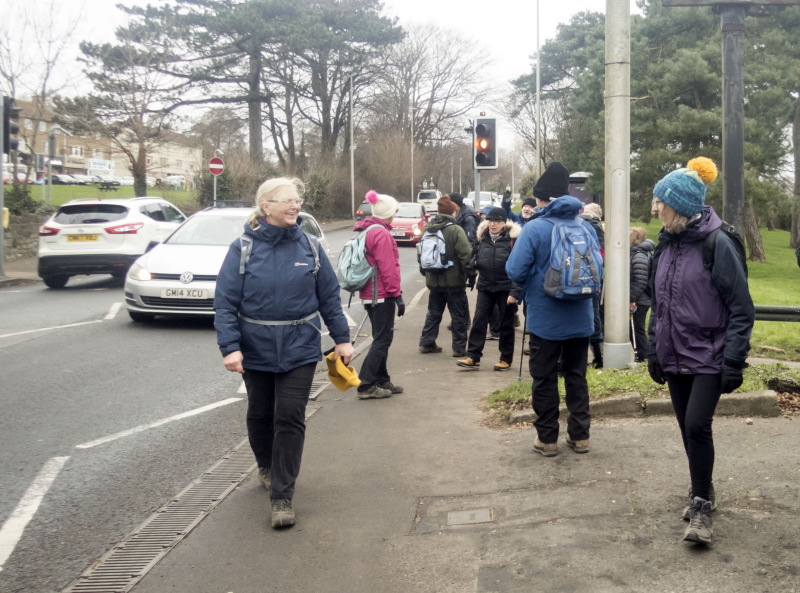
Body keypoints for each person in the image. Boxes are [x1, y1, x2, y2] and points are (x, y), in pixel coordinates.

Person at [214, 177, 354, 529]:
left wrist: (342, 338)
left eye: (298, 200)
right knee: (260, 414)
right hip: (255, 348)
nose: (296, 206)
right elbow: (226, 302)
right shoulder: (242, 248)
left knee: (289, 416)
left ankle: (282, 496)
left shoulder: (309, 245)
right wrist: (230, 347)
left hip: (299, 347)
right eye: (287, 201)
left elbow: (328, 298)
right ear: (266, 207)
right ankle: (265, 465)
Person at [647, 157, 754, 545]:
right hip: (673, 354)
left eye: (660, 201)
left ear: (680, 205)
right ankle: (703, 490)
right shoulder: (666, 242)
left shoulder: (717, 243)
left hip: (709, 355)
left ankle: (702, 509)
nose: (655, 208)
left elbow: (742, 308)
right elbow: (657, 302)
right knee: (685, 429)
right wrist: (652, 347)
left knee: (696, 426)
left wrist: (734, 360)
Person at [506, 161, 599, 457]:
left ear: (542, 199)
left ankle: (547, 439)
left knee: (544, 378)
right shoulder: (585, 226)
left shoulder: (534, 228)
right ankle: (580, 436)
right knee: (576, 375)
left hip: (545, 320)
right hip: (581, 317)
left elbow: (514, 269)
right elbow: (599, 269)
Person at [352, 190, 404, 400]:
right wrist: (397, 294)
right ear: (388, 213)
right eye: (395, 212)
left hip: (371, 293)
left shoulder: (368, 230)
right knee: (383, 339)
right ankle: (366, 384)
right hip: (381, 294)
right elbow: (387, 268)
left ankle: (382, 379)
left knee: (380, 337)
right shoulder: (381, 234)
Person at [457, 207, 521, 371]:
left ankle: (505, 359)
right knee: (479, 320)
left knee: (506, 324)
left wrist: (515, 292)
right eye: (491, 221)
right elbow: (473, 256)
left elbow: (519, 268)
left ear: (504, 223)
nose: (493, 224)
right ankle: (473, 356)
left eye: (497, 221)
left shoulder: (513, 240)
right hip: (485, 285)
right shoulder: (481, 238)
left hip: (505, 286)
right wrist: (474, 263)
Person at [418, 195, 476, 357]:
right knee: (458, 315)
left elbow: (420, 254)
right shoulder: (455, 230)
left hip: (433, 281)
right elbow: (466, 255)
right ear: (452, 212)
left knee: (433, 313)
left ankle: (426, 342)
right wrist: (471, 275)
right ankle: (458, 348)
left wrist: (426, 273)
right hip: (454, 282)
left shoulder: (428, 229)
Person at [580, 203, 605, 367]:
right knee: (594, 318)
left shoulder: (584, 225)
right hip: (595, 281)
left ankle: (586, 359)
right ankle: (599, 357)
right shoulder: (600, 229)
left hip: (580, 279)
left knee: (585, 319)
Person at [629, 226, 654, 363]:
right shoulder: (637, 253)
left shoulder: (639, 255)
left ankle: (642, 355)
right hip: (639, 296)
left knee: (637, 327)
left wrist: (632, 298)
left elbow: (641, 280)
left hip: (641, 298)